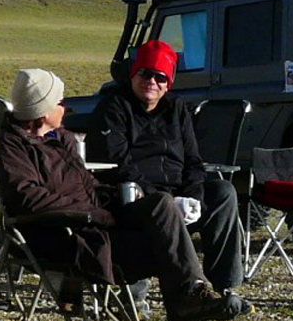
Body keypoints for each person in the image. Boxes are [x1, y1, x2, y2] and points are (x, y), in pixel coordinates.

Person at [0, 68, 249, 321]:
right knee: (173, 257)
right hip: (65, 240)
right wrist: (97, 214)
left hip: (96, 227)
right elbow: (28, 200)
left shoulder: (64, 140)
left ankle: (193, 298)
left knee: (162, 206)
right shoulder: (13, 147)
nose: (65, 108)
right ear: (43, 111)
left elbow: (88, 187)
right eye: (61, 102)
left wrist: (120, 196)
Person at [91, 41, 245, 295]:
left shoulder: (177, 108)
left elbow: (194, 161)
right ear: (133, 75)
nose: (152, 81)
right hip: (136, 197)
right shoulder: (113, 107)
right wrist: (166, 201)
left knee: (223, 192)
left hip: (178, 193)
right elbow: (118, 164)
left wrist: (192, 197)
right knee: (158, 203)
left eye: (160, 76)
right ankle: (186, 291)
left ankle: (226, 286)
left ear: (168, 82)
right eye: (145, 73)